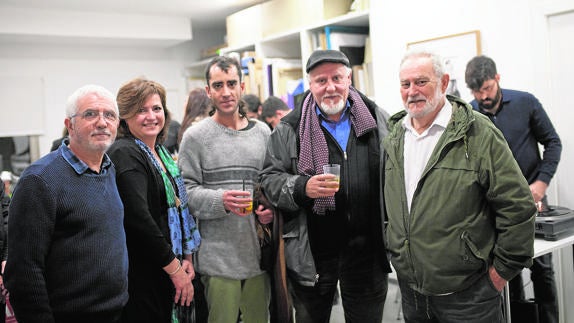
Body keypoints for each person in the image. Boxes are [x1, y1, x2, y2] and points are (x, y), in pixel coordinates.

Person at [383, 50, 537, 323]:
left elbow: (518, 207)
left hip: (468, 297)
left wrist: (499, 275)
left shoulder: (478, 133)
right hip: (414, 294)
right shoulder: (395, 137)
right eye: (405, 84)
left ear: (443, 83)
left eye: (421, 82)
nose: (412, 91)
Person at [259, 49, 391, 322]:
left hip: (367, 252)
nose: (330, 87)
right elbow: (269, 180)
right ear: (310, 84)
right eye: (321, 81)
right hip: (313, 254)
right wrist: (301, 188)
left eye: (336, 78)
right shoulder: (289, 128)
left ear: (349, 79)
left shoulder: (377, 119)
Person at [4, 84, 128, 323]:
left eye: (109, 115)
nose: (102, 122)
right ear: (69, 124)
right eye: (90, 114)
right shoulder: (40, 180)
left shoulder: (108, 168)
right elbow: (23, 272)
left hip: (116, 312)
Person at [465, 55, 562, 323]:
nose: (483, 97)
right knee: (507, 272)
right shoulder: (469, 114)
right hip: (494, 208)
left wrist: (541, 183)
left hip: (534, 198)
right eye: (476, 91)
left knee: (543, 271)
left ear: (497, 79)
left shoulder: (525, 102)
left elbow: (553, 142)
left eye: (486, 88)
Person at [178, 56, 273, 323]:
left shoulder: (263, 133)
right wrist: (222, 200)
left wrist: (269, 211)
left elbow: (271, 185)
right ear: (208, 91)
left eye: (231, 83)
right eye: (218, 85)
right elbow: (184, 193)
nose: (226, 92)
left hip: (257, 255)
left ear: (241, 86)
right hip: (217, 257)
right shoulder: (195, 137)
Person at [107, 77, 200, 323]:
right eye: (141, 110)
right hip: (145, 272)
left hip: (171, 265)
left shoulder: (160, 151)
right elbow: (139, 220)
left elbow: (181, 207)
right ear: (124, 117)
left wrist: (187, 258)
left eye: (156, 108)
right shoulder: (125, 152)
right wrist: (176, 270)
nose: (151, 116)